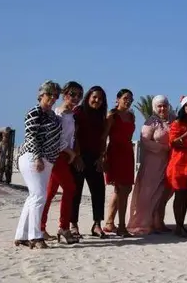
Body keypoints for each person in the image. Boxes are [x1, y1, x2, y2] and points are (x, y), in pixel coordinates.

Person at [14, 81, 63, 249]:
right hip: (32, 157)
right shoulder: (35, 112)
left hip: (48, 160)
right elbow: (30, 136)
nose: (53, 98)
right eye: (50, 94)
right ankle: (35, 236)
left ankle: (22, 235)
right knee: (39, 196)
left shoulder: (53, 116)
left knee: (33, 197)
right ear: (41, 95)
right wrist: (37, 157)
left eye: (56, 95)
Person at [41, 81, 82, 244]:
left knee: (49, 193)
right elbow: (55, 138)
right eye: (72, 94)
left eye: (79, 95)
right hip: (57, 156)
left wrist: (73, 153)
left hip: (66, 157)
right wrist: (69, 151)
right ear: (64, 95)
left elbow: (70, 137)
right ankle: (63, 227)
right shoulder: (58, 113)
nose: (76, 98)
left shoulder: (72, 114)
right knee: (70, 188)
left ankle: (41, 227)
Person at [128, 95, 172, 235]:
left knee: (163, 193)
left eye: (164, 105)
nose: (162, 108)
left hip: (168, 161)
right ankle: (144, 223)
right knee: (149, 193)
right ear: (154, 107)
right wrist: (163, 148)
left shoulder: (172, 120)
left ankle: (158, 221)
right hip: (153, 163)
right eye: (159, 106)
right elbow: (145, 141)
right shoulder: (151, 122)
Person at [71, 86, 108, 239]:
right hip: (78, 157)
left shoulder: (101, 116)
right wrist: (77, 156)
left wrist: (101, 157)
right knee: (75, 192)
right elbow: (74, 135)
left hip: (95, 158)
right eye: (94, 97)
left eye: (100, 99)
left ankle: (97, 224)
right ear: (88, 97)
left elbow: (102, 138)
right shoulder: (78, 112)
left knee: (99, 191)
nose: (97, 101)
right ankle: (73, 224)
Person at [104, 89, 136, 237]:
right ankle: (121, 226)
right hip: (115, 153)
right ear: (117, 99)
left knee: (126, 188)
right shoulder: (112, 116)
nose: (128, 101)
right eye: (125, 98)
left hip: (128, 152)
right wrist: (103, 157)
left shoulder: (131, 116)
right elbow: (104, 136)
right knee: (120, 189)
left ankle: (110, 222)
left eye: (130, 99)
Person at [165, 95, 187, 237]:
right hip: (179, 163)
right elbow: (172, 142)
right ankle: (178, 226)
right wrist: (186, 134)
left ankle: (182, 224)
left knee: (185, 196)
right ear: (183, 108)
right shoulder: (177, 123)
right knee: (179, 195)